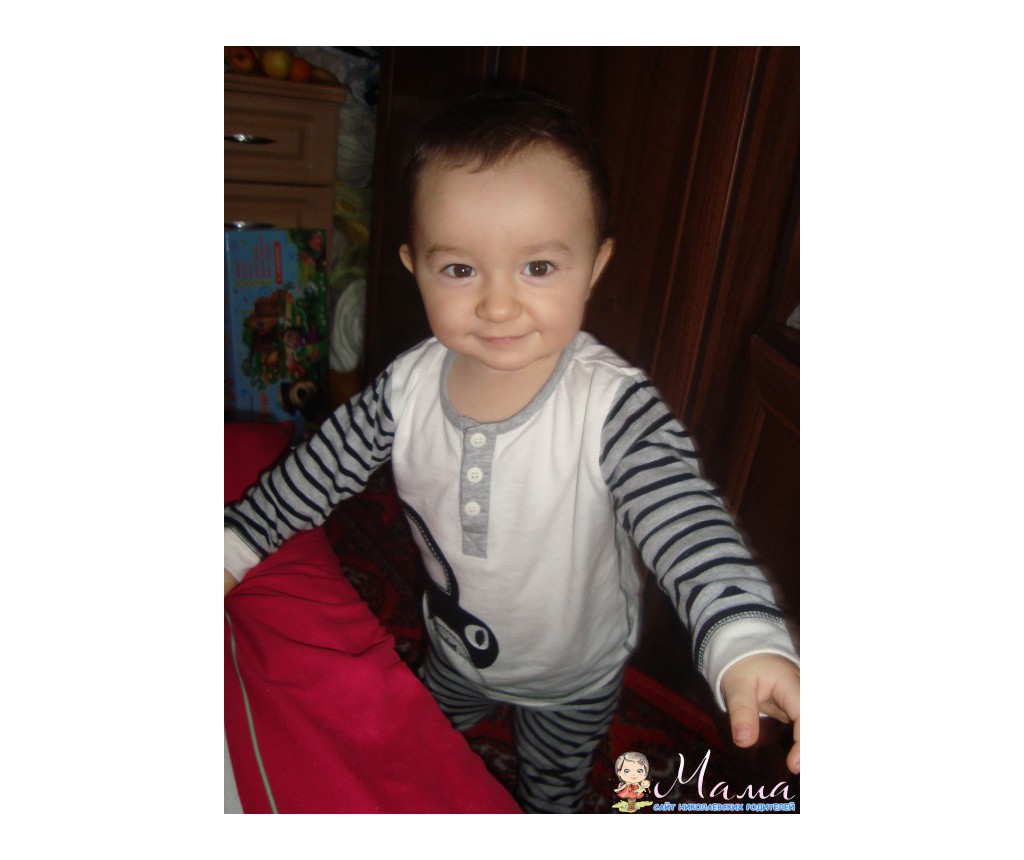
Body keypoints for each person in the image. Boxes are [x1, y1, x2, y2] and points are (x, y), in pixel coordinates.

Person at [224, 90, 800, 814]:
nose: (498, 306)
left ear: (595, 265)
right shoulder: (405, 388)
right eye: (460, 270)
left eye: (538, 268)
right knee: (417, 748)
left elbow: (683, 518)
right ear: (414, 266)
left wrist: (742, 633)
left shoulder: (610, 407)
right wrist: (233, 547)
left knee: (550, 793)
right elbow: (313, 475)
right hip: (454, 648)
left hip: (573, 676)